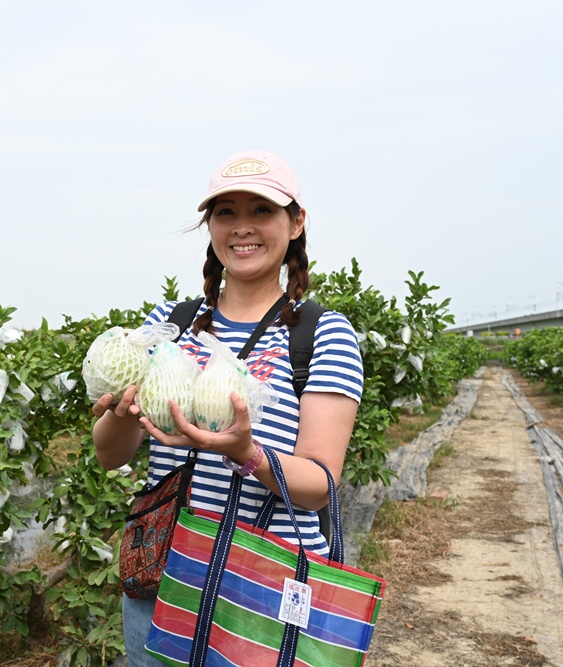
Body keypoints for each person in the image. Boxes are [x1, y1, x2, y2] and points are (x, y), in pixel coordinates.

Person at [91, 149, 364, 666]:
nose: (243, 228)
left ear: (296, 222)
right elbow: (110, 455)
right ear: (210, 226)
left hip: (262, 583)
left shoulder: (321, 334)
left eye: (261, 211)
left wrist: (247, 452)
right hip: (165, 575)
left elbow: (319, 483)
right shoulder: (172, 323)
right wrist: (120, 412)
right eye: (226, 213)